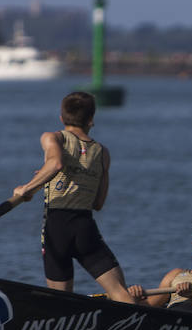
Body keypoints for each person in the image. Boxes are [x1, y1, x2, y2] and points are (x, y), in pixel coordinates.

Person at [10, 91, 137, 303]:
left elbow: (56, 163)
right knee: (120, 293)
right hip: (84, 227)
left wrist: (28, 188)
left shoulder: (52, 137)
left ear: (62, 118)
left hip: (56, 227)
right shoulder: (102, 152)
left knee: (62, 301)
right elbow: (98, 203)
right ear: (91, 120)